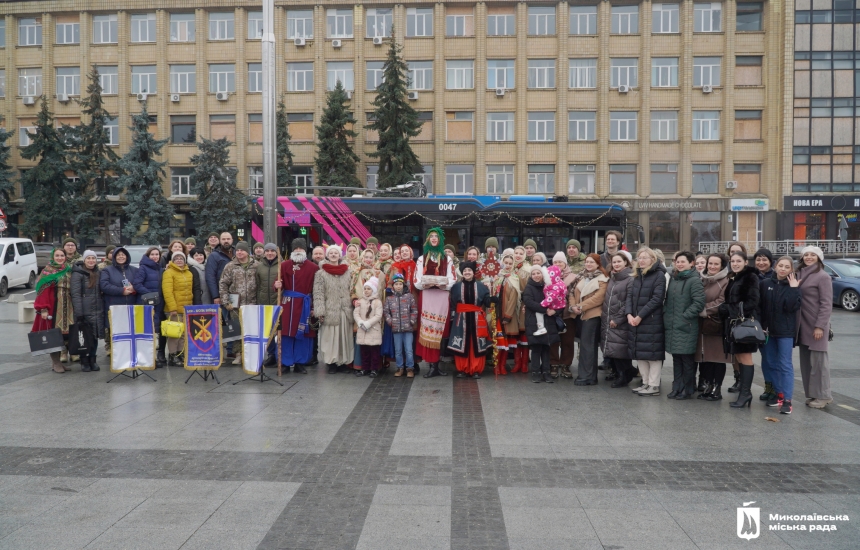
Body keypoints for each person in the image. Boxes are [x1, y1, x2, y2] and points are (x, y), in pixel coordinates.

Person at [760, 256, 802, 414]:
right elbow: (760, 306)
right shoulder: (765, 284)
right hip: (768, 331)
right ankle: (779, 393)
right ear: (775, 267)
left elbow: (792, 307)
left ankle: (787, 400)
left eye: (787, 267)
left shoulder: (794, 285)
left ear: (791, 270)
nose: (783, 269)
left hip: (785, 332)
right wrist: (761, 326)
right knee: (771, 362)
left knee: (785, 364)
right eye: (781, 266)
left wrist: (793, 288)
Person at [718, 252, 760, 409]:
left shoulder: (750, 277)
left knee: (745, 357)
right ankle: (744, 392)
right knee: (740, 358)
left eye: (738, 261)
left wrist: (727, 308)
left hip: (744, 325)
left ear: (745, 262)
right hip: (734, 324)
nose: (735, 263)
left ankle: (745, 393)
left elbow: (752, 302)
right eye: (733, 261)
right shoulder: (734, 277)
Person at [663, 251, 706, 400]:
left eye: (683, 261)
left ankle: (687, 389)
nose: (679, 264)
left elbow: (699, 302)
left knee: (687, 360)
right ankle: (676, 387)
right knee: (676, 359)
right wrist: (666, 315)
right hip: (673, 325)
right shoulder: (674, 279)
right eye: (677, 262)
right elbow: (667, 301)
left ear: (691, 263)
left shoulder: (694, 280)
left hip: (686, 325)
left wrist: (685, 316)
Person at [795, 246, 833, 409]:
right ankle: (812, 394)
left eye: (813, 255)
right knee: (806, 362)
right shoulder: (799, 274)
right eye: (806, 255)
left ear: (819, 258)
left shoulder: (822, 276)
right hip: (802, 324)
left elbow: (826, 304)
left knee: (819, 362)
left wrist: (820, 326)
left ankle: (824, 396)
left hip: (816, 325)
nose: (809, 257)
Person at [414, 228, 456, 378]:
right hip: (427, 297)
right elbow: (416, 280)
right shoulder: (421, 258)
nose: (433, 238)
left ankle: (436, 365)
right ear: (427, 239)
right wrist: (422, 285)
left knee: (439, 331)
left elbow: (453, 278)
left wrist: (445, 285)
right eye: (431, 236)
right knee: (428, 330)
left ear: (440, 240)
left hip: (441, 297)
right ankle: (432, 365)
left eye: (436, 236)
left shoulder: (447, 258)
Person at [626, 247, 667, 396]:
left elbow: (657, 299)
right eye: (639, 258)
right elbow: (629, 297)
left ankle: (654, 385)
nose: (641, 260)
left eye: (645, 258)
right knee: (640, 353)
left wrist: (640, 316)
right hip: (635, 320)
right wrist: (629, 314)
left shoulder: (659, 275)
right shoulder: (637, 276)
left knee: (653, 354)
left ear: (653, 260)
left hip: (651, 320)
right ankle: (645, 383)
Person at [274, 239, 318, 373]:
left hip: (304, 304)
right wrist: (277, 285)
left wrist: (314, 307)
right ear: (292, 250)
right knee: (286, 333)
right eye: (296, 248)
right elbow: (277, 284)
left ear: (305, 250)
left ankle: (300, 362)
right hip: (287, 303)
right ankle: (285, 362)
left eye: (301, 248)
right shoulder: (283, 265)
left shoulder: (314, 267)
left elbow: (317, 289)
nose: (298, 250)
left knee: (303, 334)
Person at [446, 261, 492, 379]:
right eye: (465, 271)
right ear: (462, 273)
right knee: (461, 342)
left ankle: (476, 369)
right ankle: (462, 369)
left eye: (469, 270)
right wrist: (452, 318)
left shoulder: (481, 286)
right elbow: (452, 304)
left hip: (477, 318)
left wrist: (491, 300)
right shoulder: (455, 287)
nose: (467, 272)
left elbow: (486, 300)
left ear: (473, 272)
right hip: (461, 319)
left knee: (475, 343)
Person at [695, 253, 731, 401]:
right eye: (710, 263)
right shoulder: (702, 279)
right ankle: (708, 385)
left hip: (717, 325)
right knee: (707, 358)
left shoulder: (726, 281)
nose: (712, 266)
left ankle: (717, 389)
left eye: (716, 264)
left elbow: (722, 301)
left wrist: (702, 309)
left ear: (722, 266)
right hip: (702, 325)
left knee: (718, 358)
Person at [314, 245, 355, 373]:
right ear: (327, 255)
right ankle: (331, 362)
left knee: (344, 337)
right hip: (330, 309)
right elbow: (318, 293)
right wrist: (320, 310)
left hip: (344, 309)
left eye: (335, 253)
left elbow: (352, 289)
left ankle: (343, 362)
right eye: (331, 253)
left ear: (339, 255)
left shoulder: (348, 271)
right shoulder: (321, 273)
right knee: (330, 338)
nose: (333, 255)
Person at [570, 254, 609, 386]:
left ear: (598, 264)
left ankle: (588, 376)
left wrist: (580, 306)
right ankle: (586, 375)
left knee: (589, 346)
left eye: (592, 262)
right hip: (579, 315)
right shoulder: (581, 276)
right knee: (584, 346)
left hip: (592, 315)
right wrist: (573, 306)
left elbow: (599, 297)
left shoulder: (603, 279)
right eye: (587, 262)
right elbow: (571, 293)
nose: (588, 264)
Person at [33, 248, 74, 373]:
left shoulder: (69, 269)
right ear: (53, 256)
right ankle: (56, 362)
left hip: (67, 306)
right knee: (52, 335)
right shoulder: (48, 271)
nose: (60, 258)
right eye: (57, 255)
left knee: (64, 335)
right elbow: (42, 291)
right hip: (53, 306)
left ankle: (59, 362)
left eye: (62, 255)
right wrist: (44, 309)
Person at [219, 241, 258, 366]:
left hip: (252, 303)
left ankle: (251, 354)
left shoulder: (256, 265)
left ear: (247, 251)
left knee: (251, 330)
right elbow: (223, 284)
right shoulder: (230, 266)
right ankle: (238, 355)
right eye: (238, 250)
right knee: (236, 329)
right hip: (235, 304)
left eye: (242, 250)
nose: (239, 252)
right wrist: (225, 301)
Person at [601, 252, 634, 388]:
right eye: (614, 262)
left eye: (619, 261)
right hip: (608, 318)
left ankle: (624, 376)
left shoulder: (630, 279)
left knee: (620, 350)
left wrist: (618, 319)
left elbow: (629, 301)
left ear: (625, 262)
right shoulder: (612, 278)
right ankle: (619, 373)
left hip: (619, 320)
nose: (616, 264)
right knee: (612, 349)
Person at [485, 251, 521, 375]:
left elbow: (513, 299)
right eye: (506, 263)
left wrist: (508, 315)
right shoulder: (497, 277)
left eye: (510, 263)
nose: (508, 265)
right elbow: (492, 294)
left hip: (507, 315)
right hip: (496, 313)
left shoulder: (515, 278)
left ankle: (503, 365)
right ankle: (496, 366)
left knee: (505, 341)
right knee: (498, 341)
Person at [523, 264, 560, 383]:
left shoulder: (549, 286)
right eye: (533, 274)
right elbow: (529, 302)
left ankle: (546, 371)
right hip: (534, 322)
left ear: (543, 274)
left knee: (546, 348)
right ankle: (535, 372)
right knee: (536, 348)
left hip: (548, 321)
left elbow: (558, 301)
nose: (536, 275)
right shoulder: (528, 287)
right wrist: (545, 309)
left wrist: (554, 311)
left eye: (538, 273)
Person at [99, 247, 138, 360]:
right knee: (116, 332)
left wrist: (133, 288)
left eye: (123, 254)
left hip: (131, 306)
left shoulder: (134, 270)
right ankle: (117, 355)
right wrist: (122, 291)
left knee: (129, 331)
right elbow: (104, 286)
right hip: (115, 307)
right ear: (114, 257)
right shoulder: (107, 270)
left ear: (127, 256)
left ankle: (128, 354)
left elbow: (140, 283)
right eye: (118, 255)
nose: (121, 256)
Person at [133, 247, 166, 367]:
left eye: (157, 254)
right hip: (146, 304)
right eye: (152, 254)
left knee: (154, 332)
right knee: (146, 332)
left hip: (157, 304)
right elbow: (137, 284)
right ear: (148, 255)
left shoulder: (161, 269)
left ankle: (152, 359)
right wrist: (150, 295)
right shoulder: (143, 268)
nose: (155, 256)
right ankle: (146, 359)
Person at [71, 250, 104, 369]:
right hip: (84, 310)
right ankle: (84, 360)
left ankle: (93, 359)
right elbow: (75, 294)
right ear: (84, 260)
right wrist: (79, 313)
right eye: (88, 258)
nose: (91, 261)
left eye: (93, 258)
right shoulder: (78, 273)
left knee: (94, 336)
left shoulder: (98, 272)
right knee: (84, 336)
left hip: (97, 309)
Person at [752, 247, 777, 403]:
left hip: (773, 325)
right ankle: (768, 387)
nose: (761, 263)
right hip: (759, 324)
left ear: (770, 262)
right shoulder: (753, 277)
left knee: (772, 358)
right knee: (765, 358)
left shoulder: (776, 277)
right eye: (758, 260)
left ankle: (775, 388)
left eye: (764, 260)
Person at [162, 251, 194, 366]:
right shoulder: (168, 272)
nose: (179, 260)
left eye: (181, 258)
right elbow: (167, 292)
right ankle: (172, 356)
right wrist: (172, 308)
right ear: (172, 260)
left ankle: (180, 355)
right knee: (174, 334)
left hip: (186, 308)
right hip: (174, 309)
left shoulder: (189, 273)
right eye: (177, 258)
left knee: (183, 334)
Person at [549, 251, 577, 379]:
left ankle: (566, 364)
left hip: (567, 313)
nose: (558, 264)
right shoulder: (548, 276)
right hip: (553, 314)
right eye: (555, 262)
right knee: (553, 341)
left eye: (560, 261)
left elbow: (575, 293)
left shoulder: (573, 277)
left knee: (567, 341)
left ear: (565, 263)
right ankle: (554, 363)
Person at [384, 273, 418, 377]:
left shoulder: (409, 297)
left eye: (400, 284)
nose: (398, 286)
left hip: (408, 328)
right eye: (396, 284)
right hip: (396, 329)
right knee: (398, 350)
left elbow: (414, 310)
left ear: (403, 285)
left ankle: (410, 368)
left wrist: (411, 321)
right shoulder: (390, 299)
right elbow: (386, 312)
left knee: (408, 350)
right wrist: (391, 321)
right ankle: (400, 368)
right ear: (393, 286)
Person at [354, 277, 384, 377]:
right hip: (363, 329)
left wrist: (369, 323)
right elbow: (356, 313)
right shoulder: (360, 301)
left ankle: (374, 369)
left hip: (373, 329)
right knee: (364, 351)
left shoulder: (377, 302)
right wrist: (360, 322)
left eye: (369, 289)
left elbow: (378, 315)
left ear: (373, 290)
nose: (366, 290)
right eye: (365, 288)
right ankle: (365, 368)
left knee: (374, 351)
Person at [535, 265, 567, 336]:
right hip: (557, 305)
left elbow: (550, 298)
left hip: (555, 305)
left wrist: (542, 305)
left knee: (538, 312)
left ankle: (541, 328)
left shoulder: (555, 286)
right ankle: (561, 325)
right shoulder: (558, 283)